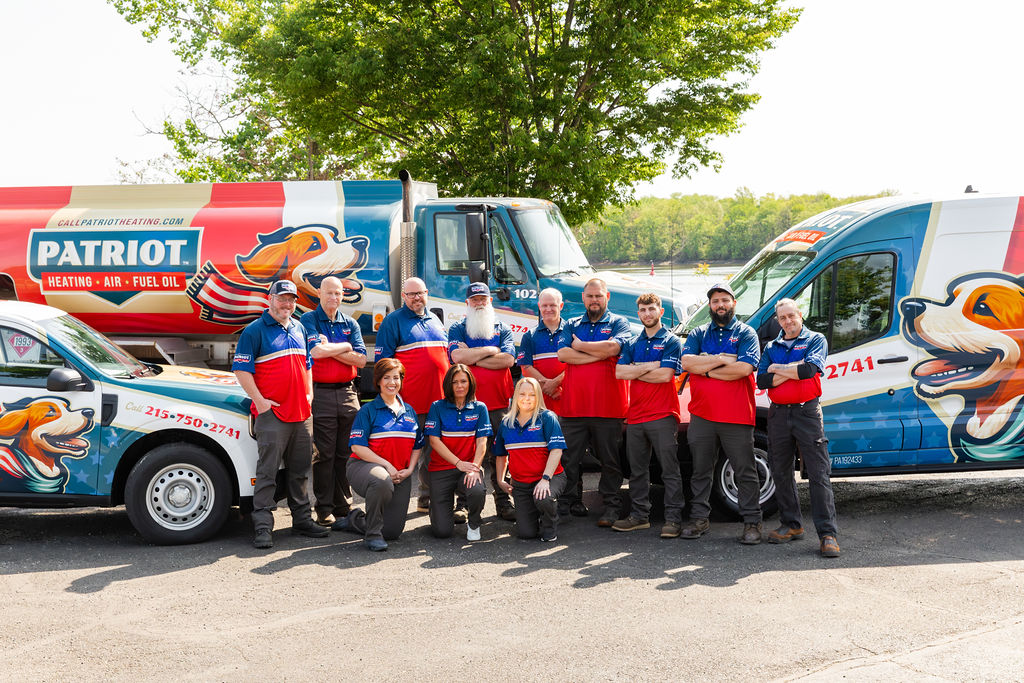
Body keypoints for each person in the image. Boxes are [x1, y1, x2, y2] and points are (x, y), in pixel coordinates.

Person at [232, 279, 330, 549]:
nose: (287, 303)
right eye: (282, 298)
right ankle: (263, 526)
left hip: (301, 413)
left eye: (292, 299)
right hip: (273, 415)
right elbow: (241, 370)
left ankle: (301, 520)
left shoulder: (299, 327)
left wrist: (309, 395)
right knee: (267, 473)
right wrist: (260, 402)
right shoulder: (255, 331)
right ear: (270, 299)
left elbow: (307, 363)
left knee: (300, 471)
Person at [679, 282, 763, 545]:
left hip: (737, 416)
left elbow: (743, 369)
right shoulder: (698, 333)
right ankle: (700, 519)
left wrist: (704, 367)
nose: (720, 305)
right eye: (715, 301)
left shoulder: (747, 333)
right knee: (701, 470)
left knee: (745, 471)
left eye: (724, 300)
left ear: (733, 303)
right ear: (710, 305)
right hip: (702, 416)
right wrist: (721, 359)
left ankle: (752, 522)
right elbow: (686, 362)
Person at [756, 298, 840, 558]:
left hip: (807, 413)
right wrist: (790, 371)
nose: (788, 321)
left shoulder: (815, 340)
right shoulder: (771, 346)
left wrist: (778, 369)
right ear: (778, 321)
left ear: (800, 315)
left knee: (818, 474)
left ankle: (828, 535)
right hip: (779, 414)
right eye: (782, 318)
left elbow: (809, 370)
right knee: (781, 472)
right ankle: (792, 525)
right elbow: (762, 379)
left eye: (792, 316)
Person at [556, 278, 632, 526]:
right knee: (568, 459)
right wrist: (596, 354)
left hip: (608, 407)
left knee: (610, 460)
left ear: (607, 297)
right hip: (574, 407)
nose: (594, 300)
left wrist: (581, 347)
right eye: (590, 296)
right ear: (583, 298)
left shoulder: (619, 322)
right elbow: (563, 354)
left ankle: (611, 505)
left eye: (598, 296)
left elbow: (613, 348)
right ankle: (566, 504)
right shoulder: (571, 323)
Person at [374, 277, 449, 515]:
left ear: (427, 293)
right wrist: (392, 400)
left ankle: (426, 499)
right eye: (411, 294)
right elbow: (383, 365)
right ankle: (393, 505)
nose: (417, 298)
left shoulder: (435, 319)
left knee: (435, 454)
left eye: (421, 293)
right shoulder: (392, 322)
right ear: (404, 296)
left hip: (438, 402)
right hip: (409, 403)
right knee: (404, 453)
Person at [613, 293, 686, 538]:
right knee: (637, 471)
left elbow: (666, 376)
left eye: (651, 309)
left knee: (669, 469)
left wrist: (636, 370)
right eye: (643, 310)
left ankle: (673, 519)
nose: (647, 314)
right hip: (635, 417)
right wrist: (651, 366)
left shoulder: (671, 341)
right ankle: (639, 516)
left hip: (663, 414)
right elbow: (620, 373)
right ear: (639, 313)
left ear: (660, 311)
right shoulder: (633, 343)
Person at [332, 358, 423, 551]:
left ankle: (355, 520)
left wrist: (410, 469)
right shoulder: (368, 410)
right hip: (363, 468)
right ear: (379, 381)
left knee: (392, 532)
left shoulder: (410, 411)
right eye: (387, 378)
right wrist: (387, 465)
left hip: (400, 474)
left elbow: (417, 445)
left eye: (396, 378)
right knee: (381, 480)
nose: (392, 382)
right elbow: (357, 447)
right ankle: (372, 535)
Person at [300, 276, 367, 527]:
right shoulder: (308, 320)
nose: (334, 298)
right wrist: (346, 347)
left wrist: (336, 347)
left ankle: (343, 504)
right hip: (322, 394)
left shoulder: (350, 323)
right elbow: (316, 352)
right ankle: (324, 507)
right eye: (329, 293)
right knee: (325, 453)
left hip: (349, 393)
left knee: (346, 452)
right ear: (319, 293)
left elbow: (361, 360)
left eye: (338, 294)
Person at [448, 282, 517, 522]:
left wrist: (473, 358)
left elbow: (508, 360)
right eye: (474, 299)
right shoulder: (458, 328)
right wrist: (490, 349)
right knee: (467, 452)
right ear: (467, 303)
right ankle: (463, 503)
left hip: (499, 404)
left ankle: (503, 501)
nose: (479, 303)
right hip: (467, 404)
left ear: (490, 301)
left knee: (501, 452)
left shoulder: (503, 328)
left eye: (482, 299)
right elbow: (457, 357)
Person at [493, 377, 567, 542]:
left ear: (538, 397)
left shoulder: (547, 418)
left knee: (543, 498)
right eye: (522, 394)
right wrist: (500, 480)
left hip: (549, 478)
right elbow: (501, 455)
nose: (527, 398)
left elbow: (556, 451)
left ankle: (550, 523)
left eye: (532, 395)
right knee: (526, 533)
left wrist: (545, 479)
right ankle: (535, 512)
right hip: (521, 484)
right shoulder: (506, 423)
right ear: (516, 396)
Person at [423, 364, 491, 541]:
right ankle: (438, 508)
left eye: (464, 381)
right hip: (441, 469)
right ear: (449, 385)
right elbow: (434, 441)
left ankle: (474, 523)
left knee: (476, 488)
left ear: (470, 383)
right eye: (455, 382)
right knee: (442, 532)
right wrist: (457, 463)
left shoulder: (480, 408)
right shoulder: (437, 407)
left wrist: (474, 467)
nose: (460, 386)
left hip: (468, 466)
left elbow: (482, 441)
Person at [518, 288, 567, 416]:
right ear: (539, 306)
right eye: (544, 305)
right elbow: (526, 367)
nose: (548, 309)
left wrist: (556, 384)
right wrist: (548, 388)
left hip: (566, 399)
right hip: (540, 403)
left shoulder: (571, 332)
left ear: (561, 306)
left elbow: (576, 365)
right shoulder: (529, 335)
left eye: (553, 305)